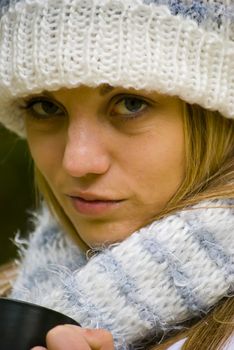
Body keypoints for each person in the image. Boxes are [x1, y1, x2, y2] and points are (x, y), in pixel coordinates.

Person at [0, 0, 233, 349]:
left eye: (130, 104)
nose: (76, 162)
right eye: (46, 107)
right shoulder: (14, 292)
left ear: (216, 119)